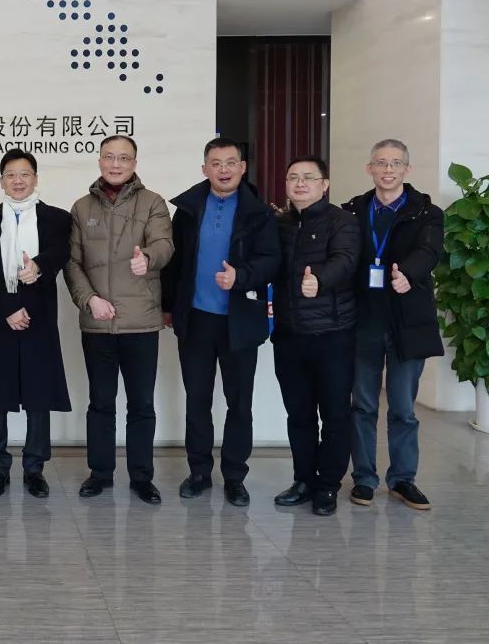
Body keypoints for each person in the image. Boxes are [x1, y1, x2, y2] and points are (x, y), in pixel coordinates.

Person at [160, 137, 280, 507]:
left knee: (239, 403)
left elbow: (271, 261)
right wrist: (168, 306)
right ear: (205, 169)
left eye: (230, 163)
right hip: (196, 320)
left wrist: (240, 277)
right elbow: (174, 263)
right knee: (197, 400)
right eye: (216, 163)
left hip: (239, 322)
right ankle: (199, 472)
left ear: (242, 167)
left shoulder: (259, 213)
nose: (223, 170)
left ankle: (234, 476)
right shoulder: (188, 209)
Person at [64, 136, 173, 504]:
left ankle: (142, 476)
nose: (115, 164)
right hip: (98, 323)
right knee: (100, 403)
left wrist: (149, 259)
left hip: (141, 323)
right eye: (109, 157)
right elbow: (72, 262)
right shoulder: (81, 208)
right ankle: (100, 473)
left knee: (141, 404)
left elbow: (164, 244)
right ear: (99, 161)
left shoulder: (153, 202)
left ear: (134, 163)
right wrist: (89, 300)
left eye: (123, 158)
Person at [342, 139, 443, 510]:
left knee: (402, 407)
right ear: (370, 168)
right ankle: (364, 479)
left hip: (407, 321)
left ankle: (402, 480)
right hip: (364, 321)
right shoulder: (353, 211)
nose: (388, 170)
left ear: (406, 169)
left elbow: (429, 251)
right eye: (381, 163)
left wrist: (408, 274)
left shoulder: (426, 212)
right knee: (363, 405)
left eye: (395, 163)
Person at [0, 149, 72, 499]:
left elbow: (61, 253)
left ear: (35, 179)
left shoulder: (57, 218)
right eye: (11, 175)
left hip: (39, 316)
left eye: (25, 174)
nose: (18, 180)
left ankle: (34, 469)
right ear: (1, 181)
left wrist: (39, 265)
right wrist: (8, 310)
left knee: (38, 394)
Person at [271, 155, 360, 516]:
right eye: (293, 177)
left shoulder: (343, 221)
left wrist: (319, 279)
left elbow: (346, 260)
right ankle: (304, 480)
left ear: (325, 184)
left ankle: (328, 485)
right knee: (299, 415)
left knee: (335, 414)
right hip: (289, 335)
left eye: (309, 177)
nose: (300, 183)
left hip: (332, 334)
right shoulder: (279, 223)